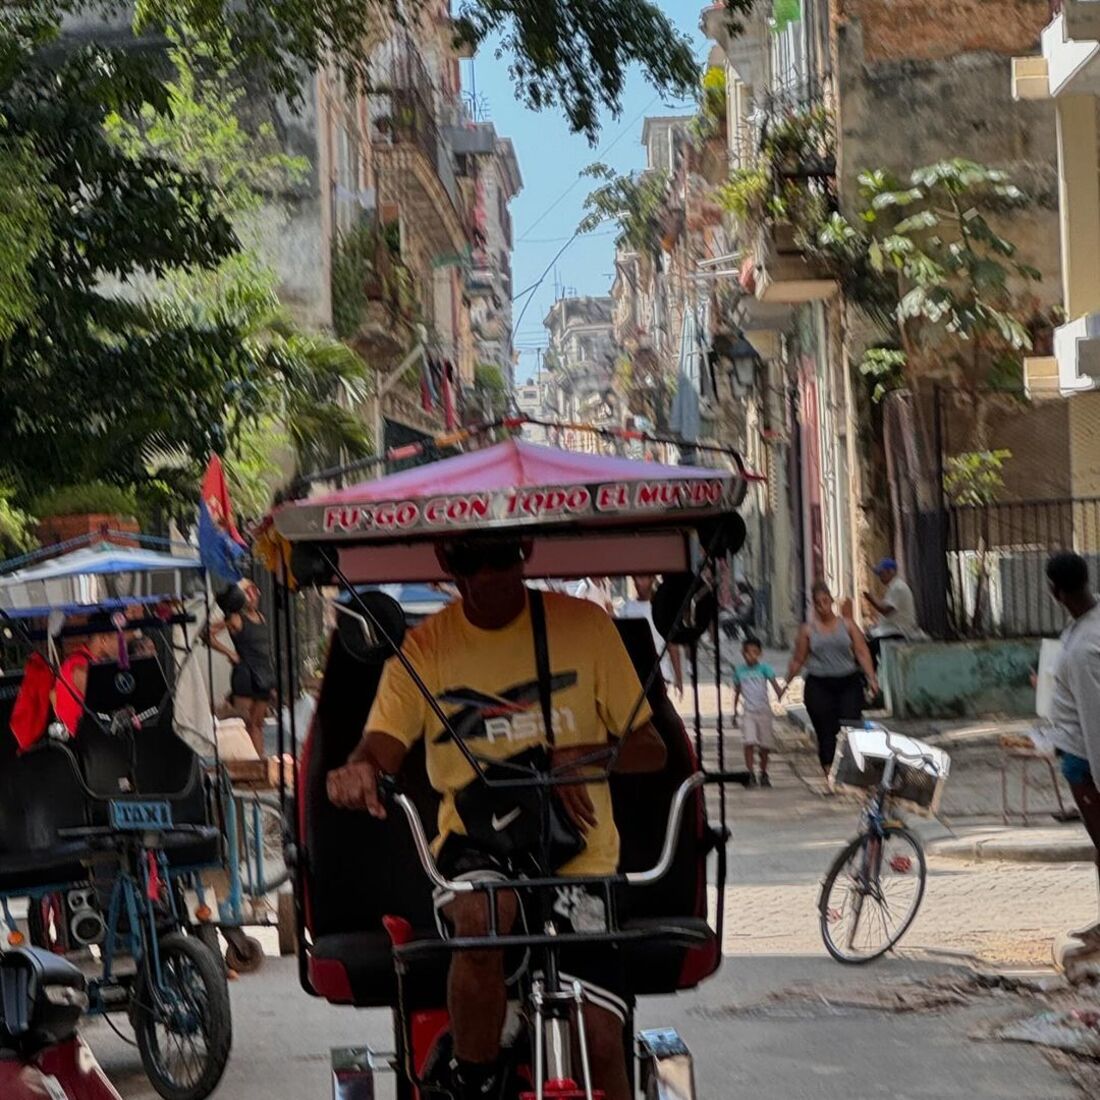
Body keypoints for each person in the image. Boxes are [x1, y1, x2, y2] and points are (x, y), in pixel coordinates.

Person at [327, 536, 666, 1100]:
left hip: (579, 862)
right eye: (467, 561)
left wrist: (578, 756)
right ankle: (473, 1079)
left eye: (500, 557)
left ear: (526, 550)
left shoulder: (585, 626)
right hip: (476, 851)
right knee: (487, 909)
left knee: (604, 1042)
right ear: (445, 564)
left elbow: (651, 748)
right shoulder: (426, 647)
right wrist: (356, 771)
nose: (486, 576)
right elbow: (379, 746)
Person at [1041, 552, 1100, 962]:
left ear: (1055, 592)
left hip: (1084, 759)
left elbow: (1094, 719)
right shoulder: (1081, 630)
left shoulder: (1082, 648)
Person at [787, 581, 878, 775]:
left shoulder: (847, 625)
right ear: (814, 604)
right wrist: (785, 684)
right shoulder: (808, 630)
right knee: (825, 729)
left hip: (848, 682)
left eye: (825, 601)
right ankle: (829, 771)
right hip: (819, 684)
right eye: (818, 602)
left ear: (831, 600)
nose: (822, 606)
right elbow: (798, 659)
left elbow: (861, 652)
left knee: (850, 725)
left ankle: (850, 770)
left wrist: (872, 678)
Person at [205, 580, 275, 756]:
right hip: (245, 675)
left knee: (258, 724)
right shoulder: (236, 618)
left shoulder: (262, 617)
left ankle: (259, 764)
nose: (254, 595)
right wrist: (230, 653)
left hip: (264, 676)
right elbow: (206, 634)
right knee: (245, 722)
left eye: (255, 591)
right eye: (248, 592)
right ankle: (247, 761)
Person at [618, 575, 683, 696]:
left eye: (642, 578)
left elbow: (672, 646)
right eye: (635, 579)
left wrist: (678, 678)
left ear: (652, 579)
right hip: (635, 677)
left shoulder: (662, 609)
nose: (638, 583)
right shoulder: (625, 610)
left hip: (660, 676)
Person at [732, 637, 784, 788]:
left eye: (755, 652)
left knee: (764, 745)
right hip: (748, 711)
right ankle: (750, 773)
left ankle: (763, 772)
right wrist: (735, 712)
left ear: (760, 653)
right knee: (749, 742)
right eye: (748, 653)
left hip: (764, 711)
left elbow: (775, 685)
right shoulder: (739, 672)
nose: (751, 656)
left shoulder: (765, 669)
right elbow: (737, 691)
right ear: (743, 653)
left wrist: (781, 692)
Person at [52, 618, 117, 736]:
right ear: (104, 640)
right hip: (84, 740)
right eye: (118, 640)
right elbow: (108, 699)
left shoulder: (86, 660)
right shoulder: (79, 665)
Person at [862, 558, 919, 668]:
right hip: (891, 630)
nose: (880, 577)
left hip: (899, 632)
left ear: (891, 572)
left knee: (869, 648)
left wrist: (871, 599)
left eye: (881, 573)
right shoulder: (893, 588)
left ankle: (872, 676)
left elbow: (885, 610)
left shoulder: (898, 588)